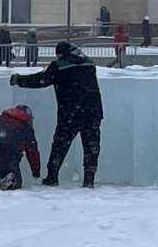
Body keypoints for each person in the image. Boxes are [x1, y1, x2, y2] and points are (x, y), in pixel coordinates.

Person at [11, 39, 104, 187]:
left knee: (60, 145)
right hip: (93, 110)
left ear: (60, 54)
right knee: (91, 146)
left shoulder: (60, 66)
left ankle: (52, 177)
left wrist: (19, 80)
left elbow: (41, 80)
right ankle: (89, 179)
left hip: (71, 112)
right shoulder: (89, 63)